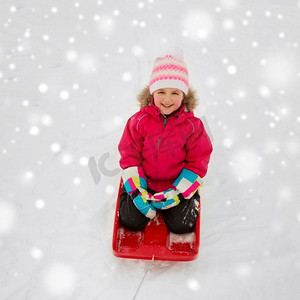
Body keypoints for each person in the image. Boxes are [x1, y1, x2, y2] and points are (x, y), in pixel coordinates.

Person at [118, 48, 213, 234]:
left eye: (175, 93)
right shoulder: (138, 121)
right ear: (152, 93)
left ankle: (188, 198)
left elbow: (197, 161)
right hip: (144, 182)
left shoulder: (193, 126)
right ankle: (132, 195)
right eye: (161, 91)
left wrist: (178, 192)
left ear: (184, 96)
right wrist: (138, 191)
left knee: (182, 226)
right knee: (130, 221)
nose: (168, 99)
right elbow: (129, 156)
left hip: (175, 185)